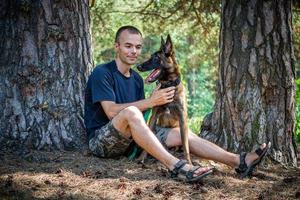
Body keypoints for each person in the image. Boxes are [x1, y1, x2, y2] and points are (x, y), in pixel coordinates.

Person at [84, 25, 269, 182]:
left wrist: (156, 103)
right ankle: (177, 166)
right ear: (117, 46)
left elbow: (143, 114)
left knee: (181, 132)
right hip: (103, 141)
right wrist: (149, 101)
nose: (134, 51)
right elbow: (110, 112)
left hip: (132, 141)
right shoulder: (102, 73)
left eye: (138, 47)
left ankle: (239, 161)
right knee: (132, 112)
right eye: (128, 46)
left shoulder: (137, 80)